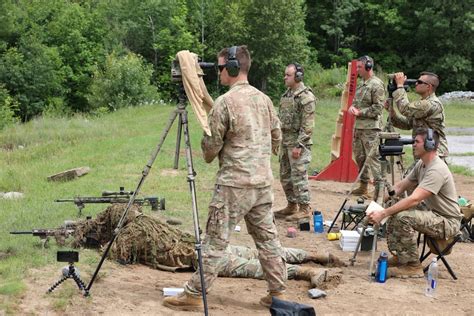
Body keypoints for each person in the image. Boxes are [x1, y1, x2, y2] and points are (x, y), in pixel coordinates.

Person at [163, 45, 286, 310]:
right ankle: (278, 293)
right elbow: (277, 138)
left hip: (234, 185)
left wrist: (208, 146)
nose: (217, 73)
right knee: (268, 240)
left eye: (220, 68)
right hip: (263, 184)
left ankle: (195, 294)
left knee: (215, 242)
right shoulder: (264, 99)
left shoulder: (225, 103)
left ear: (231, 68)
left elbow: (210, 148)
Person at [367, 128, 462, 278]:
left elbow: (414, 199)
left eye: (417, 142)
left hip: (447, 222)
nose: (413, 145)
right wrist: (378, 203)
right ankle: (402, 256)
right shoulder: (421, 164)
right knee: (396, 210)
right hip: (433, 214)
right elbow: (399, 187)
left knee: (403, 216)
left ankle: (413, 266)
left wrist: (384, 213)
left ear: (429, 145)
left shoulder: (436, 169)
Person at [273, 63, 316, 222]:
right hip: (286, 143)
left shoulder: (306, 97)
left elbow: (308, 125)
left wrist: (300, 145)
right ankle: (291, 205)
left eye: (288, 75)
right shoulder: (287, 95)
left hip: (298, 145)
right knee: (285, 176)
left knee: (298, 177)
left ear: (297, 77)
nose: (285, 77)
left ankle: (304, 208)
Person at [387, 71, 448, 160]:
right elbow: (408, 124)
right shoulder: (423, 103)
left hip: (434, 153)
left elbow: (406, 109)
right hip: (424, 150)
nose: (416, 84)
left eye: (419, 82)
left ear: (429, 87)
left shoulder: (431, 104)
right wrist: (393, 113)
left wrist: (400, 86)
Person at [348, 56, 385, 199]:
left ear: (368, 67)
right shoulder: (363, 84)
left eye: (359, 67)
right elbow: (358, 103)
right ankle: (363, 187)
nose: (357, 70)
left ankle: (378, 192)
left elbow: (378, 108)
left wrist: (360, 112)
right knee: (360, 158)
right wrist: (353, 107)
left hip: (371, 129)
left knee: (373, 159)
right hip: (359, 128)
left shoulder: (376, 84)